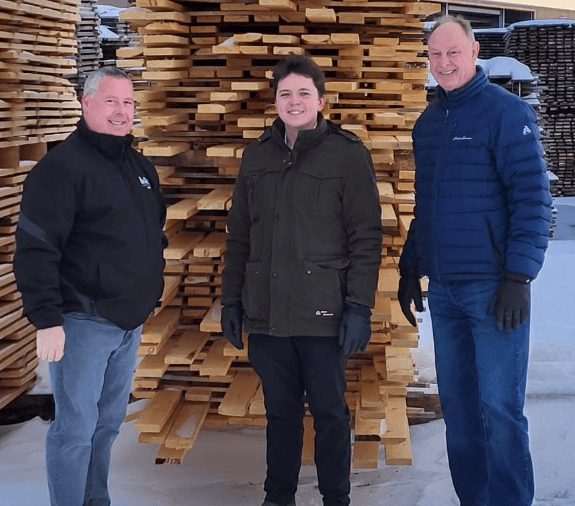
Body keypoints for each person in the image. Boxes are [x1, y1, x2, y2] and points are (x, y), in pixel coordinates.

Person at [398, 16, 552, 506]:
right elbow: (430, 204)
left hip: (493, 290)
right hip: (444, 292)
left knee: (500, 408)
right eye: (435, 55)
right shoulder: (429, 122)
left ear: (474, 50)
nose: (444, 63)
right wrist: (410, 264)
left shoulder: (506, 115)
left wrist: (518, 276)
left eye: (452, 53)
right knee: (461, 409)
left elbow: (533, 199)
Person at [221, 54, 383, 506]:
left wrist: (358, 308)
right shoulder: (257, 157)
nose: (294, 102)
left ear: (321, 101)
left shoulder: (347, 155)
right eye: (286, 94)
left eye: (303, 94)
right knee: (280, 415)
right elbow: (240, 237)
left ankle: (336, 498)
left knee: (331, 415)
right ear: (275, 101)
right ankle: (279, 498)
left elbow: (366, 238)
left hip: (323, 315)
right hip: (269, 314)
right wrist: (231, 302)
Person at [13, 67, 167, 506]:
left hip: (127, 322)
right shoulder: (61, 169)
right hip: (82, 321)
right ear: (86, 103)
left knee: (107, 424)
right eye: (111, 102)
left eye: (128, 103)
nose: (122, 112)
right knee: (75, 430)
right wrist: (47, 320)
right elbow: (36, 247)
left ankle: (95, 499)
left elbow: (152, 229)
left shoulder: (138, 165)